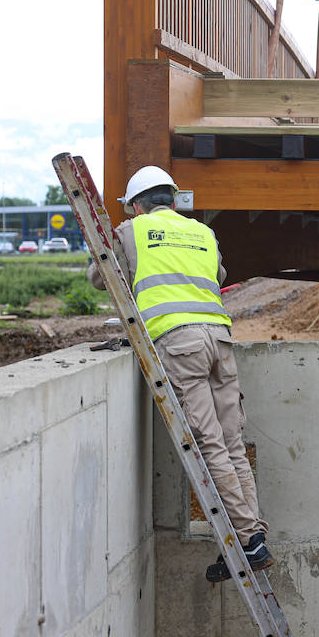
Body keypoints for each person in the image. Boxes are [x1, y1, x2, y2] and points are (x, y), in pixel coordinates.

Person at [88, 165, 272, 578]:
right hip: (220, 340)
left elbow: (99, 278)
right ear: (172, 200)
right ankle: (252, 535)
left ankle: (247, 540)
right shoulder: (203, 233)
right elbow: (219, 276)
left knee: (209, 445)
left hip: (178, 342)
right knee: (232, 443)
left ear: (136, 205)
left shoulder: (131, 231)